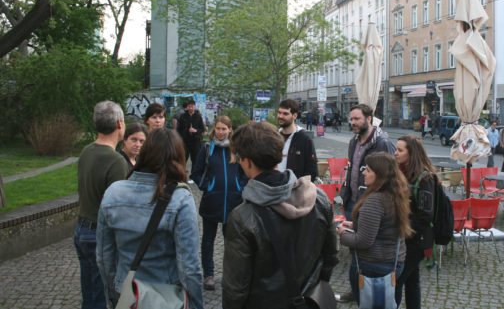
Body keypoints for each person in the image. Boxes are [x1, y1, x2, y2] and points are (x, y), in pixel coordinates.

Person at [222, 122, 338, 308]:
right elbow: (331, 256)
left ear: (247, 161)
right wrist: (313, 287)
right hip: (309, 301)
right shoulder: (318, 198)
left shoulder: (243, 217)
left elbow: (236, 288)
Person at [96, 128, 203, 309]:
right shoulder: (181, 198)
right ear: (178, 157)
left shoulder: (113, 193)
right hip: (166, 295)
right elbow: (189, 267)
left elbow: (104, 257)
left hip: (127, 292)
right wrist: (196, 304)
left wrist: (114, 293)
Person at [337, 103, 395, 303]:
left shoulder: (382, 142)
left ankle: (367, 292)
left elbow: (390, 175)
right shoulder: (354, 141)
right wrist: (345, 195)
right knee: (356, 253)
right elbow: (351, 168)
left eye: (357, 119)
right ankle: (358, 291)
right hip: (353, 200)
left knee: (365, 249)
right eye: (351, 119)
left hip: (371, 204)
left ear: (369, 119)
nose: (352, 123)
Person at [337, 152, 413, 305]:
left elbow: (363, 241)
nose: (363, 172)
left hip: (374, 265)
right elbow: (384, 226)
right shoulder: (394, 195)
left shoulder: (375, 200)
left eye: (368, 170)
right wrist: (355, 225)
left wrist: (342, 233)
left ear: (379, 175)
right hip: (392, 261)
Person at [74, 101, 129, 309]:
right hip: (99, 233)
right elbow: (118, 209)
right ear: (119, 124)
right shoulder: (116, 161)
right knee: (104, 296)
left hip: (81, 229)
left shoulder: (86, 151)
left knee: (90, 292)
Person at [190, 116, 248, 291]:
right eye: (218, 129)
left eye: (224, 129)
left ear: (230, 130)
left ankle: (230, 275)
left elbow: (245, 173)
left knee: (231, 242)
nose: (221, 132)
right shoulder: (207, 149)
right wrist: (207, 186)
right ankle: (209, 275)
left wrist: (240, 187)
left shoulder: (237, 150)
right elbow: (196, 172)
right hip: (211, 202)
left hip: (233, 203)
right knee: (208, 240)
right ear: (213, 130)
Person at [394, 134, 437, 309]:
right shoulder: (401, 172)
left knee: (396, 280)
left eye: (400, 150)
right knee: (412, 281)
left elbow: (425, 215)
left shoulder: (424, 178)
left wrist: (404, 229)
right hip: (406, 237)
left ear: (411, 154)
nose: (395, 153)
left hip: (416, 239)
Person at [276, 99, 319, 182]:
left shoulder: (304, 139)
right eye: (279, 112)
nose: (280, 116)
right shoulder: (274, 136)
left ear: (294, 116)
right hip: (274, 189)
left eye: (285, 113)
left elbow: (312, 171)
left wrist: (298, 187)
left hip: (295, 191)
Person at [177, 100, 206, 169]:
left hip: (195, 141)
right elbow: (179, 129)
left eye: (192, 106)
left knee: (195, 159)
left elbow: (202, 129)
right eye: (189, 106)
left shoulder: (198, 116)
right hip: (185, 141)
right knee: (183, 159)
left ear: (194, 106)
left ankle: (193, 177)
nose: (190, 108)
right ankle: (181, 174)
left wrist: (196, 131)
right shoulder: (183, 116)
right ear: (187, 107)